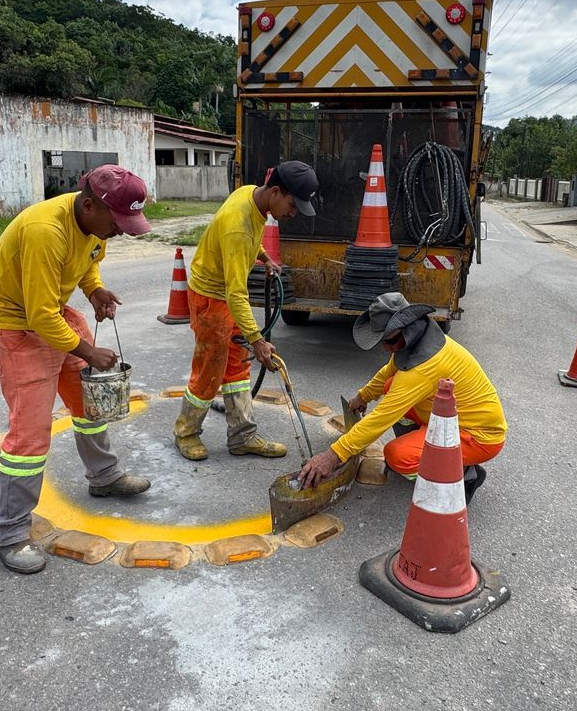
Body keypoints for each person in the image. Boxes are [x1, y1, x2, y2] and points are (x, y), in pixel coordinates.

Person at [0, 165, 154, 574]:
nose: (121, 231)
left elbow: (88, 259)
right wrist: (89, 352)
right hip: (15, 323)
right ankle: (8, 533)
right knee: (30, 432)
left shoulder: (94, 227)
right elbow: (39, 317)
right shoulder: (45, 231)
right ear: (89, 204)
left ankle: (104, 476)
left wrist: (94, 289)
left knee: (87, 401)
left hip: (49, 312)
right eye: (118, 222)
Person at [174, 161, 320, 461]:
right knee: (209, 371)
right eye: (293, 205)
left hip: (226, 297)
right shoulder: (237, 224)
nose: (293, 213)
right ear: (276, 191)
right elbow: (235, 291)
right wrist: (258, 340)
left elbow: (249, 240)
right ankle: (185, 433)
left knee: (237, 368)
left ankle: (243, 436)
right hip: (211, 299)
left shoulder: (252, 196)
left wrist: (264, 257)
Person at [296, 292, 505, 501]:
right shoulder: (420, 339)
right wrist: (363, 397)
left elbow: (381, 418)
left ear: (409, 327)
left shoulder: (424, 368)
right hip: (452, 419)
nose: (387, 348)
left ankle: (466, 475)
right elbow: (388, 372)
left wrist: (332, 456)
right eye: (383, 343)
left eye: (391, 341)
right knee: (390, 386)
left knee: (398, 457)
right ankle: (424, 448)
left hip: (479, 436)